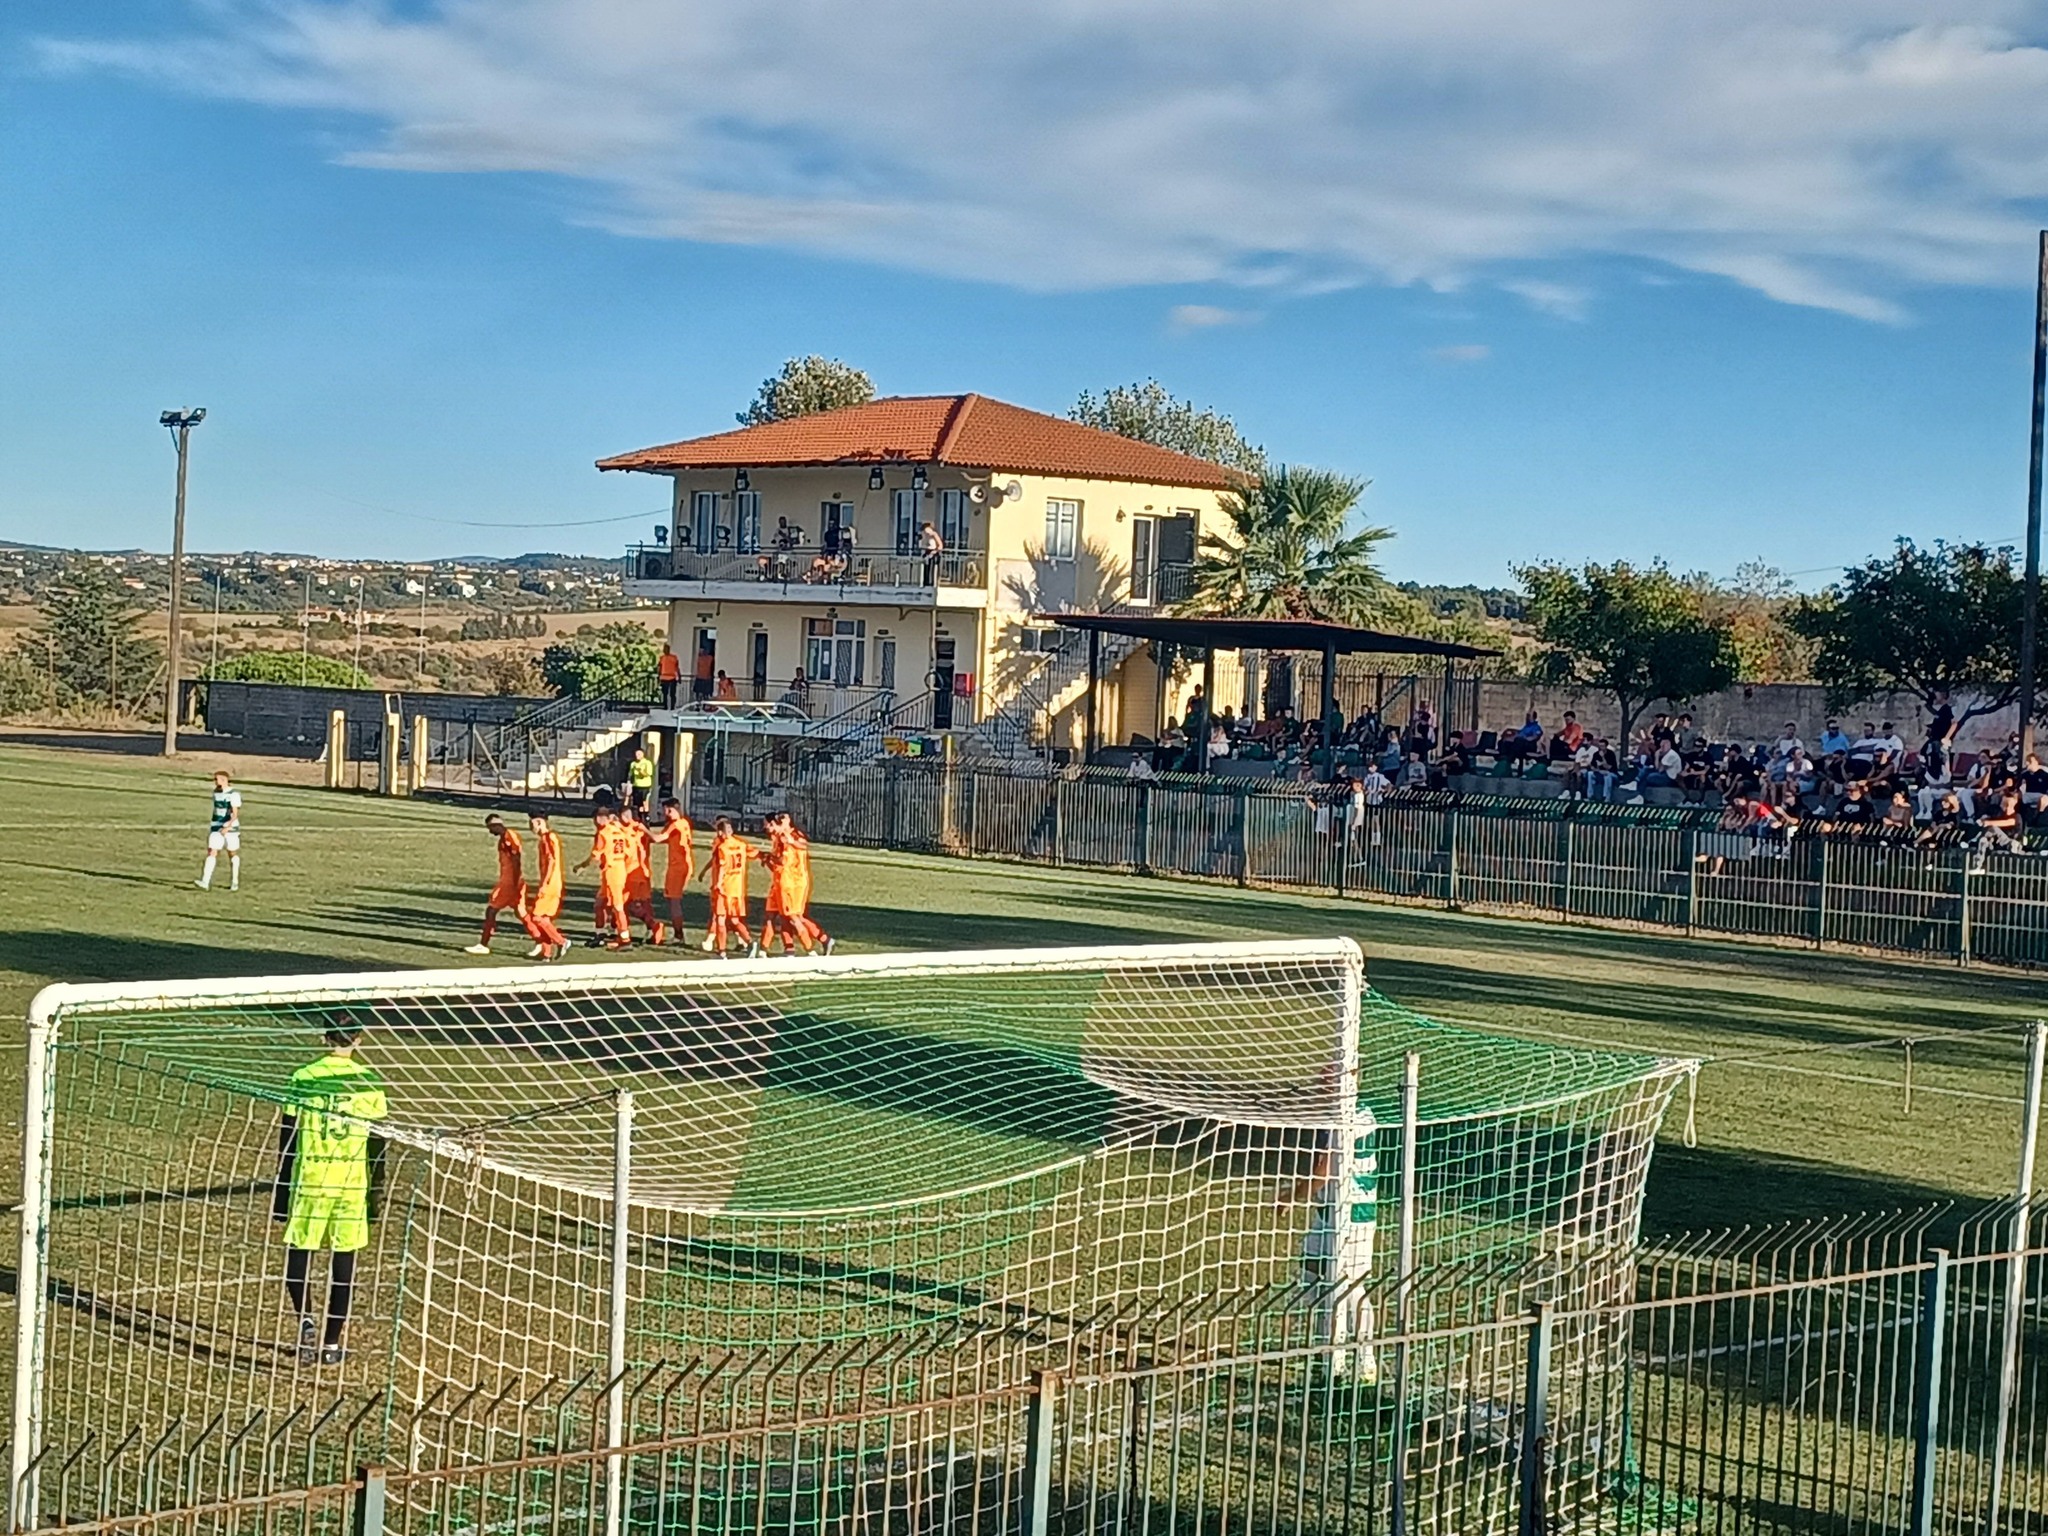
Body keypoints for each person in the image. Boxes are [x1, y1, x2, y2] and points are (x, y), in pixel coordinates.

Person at [273, 1018, 387, 1367]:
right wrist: (375, 1195)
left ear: (324, 1038)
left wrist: (281, 1190)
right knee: (344, 1262)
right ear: (359, 1039)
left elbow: (288, 1139)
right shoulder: (370, 1083)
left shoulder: (303, 1077)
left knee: (300, 1251)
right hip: (350, 1184)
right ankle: (332, 1344)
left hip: (310, 1178)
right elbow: (377, 1147)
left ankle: (305, 1319)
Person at [464, 814, 540, 955]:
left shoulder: (508, 836)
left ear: (495, 825)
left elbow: (516, 858)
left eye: (490, 828)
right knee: (522, 914)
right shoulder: (505, 837)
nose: (489, 831)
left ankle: (483, 944)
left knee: (491, 911)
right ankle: (540, 941)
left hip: (509, 883)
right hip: (513, 881)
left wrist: (515, 882)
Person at [762, 812, 834, 955]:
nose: (766, 828)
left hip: (794, 881)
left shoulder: (791, 836)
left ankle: (816, 945)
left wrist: (772, 856)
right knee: (775, 915)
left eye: (768, 824)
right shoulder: (778, 837)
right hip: (781, 880)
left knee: (794, 917)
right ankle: (782, 949)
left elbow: (801, 847)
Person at [573, 806, 633, 949]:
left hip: (612, 872)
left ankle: (625, 939)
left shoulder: (604, 833)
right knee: (600, 903)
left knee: (617, 906)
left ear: (600, 819)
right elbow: (629, 852)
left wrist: (581, 866)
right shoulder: (619, 830)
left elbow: (595, 856)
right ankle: (600, 934)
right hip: (619, 869)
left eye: (595, 819)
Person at [702, 815, 758, 956]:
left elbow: (722, 867)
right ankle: (750, 941)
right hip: (737, 888)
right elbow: (754, 853)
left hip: (725, 888)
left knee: (721, 919)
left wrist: (718, 884)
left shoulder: (722, 847)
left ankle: (722, 951)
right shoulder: (741, 845)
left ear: (720, 832)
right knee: (734, 919)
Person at [524, 813, 570, 960]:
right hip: (552, 883)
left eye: (532, 824)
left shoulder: (549, 838)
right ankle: (547, 954)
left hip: (551, 884)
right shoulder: (545, 839)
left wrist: (545, 883)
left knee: (536, 917)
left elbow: (551, 861)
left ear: (539, 822)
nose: (531, 827)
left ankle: (562, 941)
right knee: (544, 919)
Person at [651, 797, 695, 944]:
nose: (664, 813)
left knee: (674, 901)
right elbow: (666, 839)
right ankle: (678, 935)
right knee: (672, 900)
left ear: (670, 809)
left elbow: (659, 838)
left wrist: (642, 829)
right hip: (683, 865)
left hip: (678, 867)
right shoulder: (684, 823)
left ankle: (679, 936)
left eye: (665, 810)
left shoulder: (676, 824)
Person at [196, 769, 242, 892]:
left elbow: (235, 813)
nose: (215, 782)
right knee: (212, 852)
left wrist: (228, 826)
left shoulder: (233, 794)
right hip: (216, 827)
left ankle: (235, 881)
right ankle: (205, 881)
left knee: (232, 853)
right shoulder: (216, 793)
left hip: (230, 829)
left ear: (224, 780)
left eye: (217, 779)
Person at [626, 747, 656, 813]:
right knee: (637, 803)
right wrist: (628, 784)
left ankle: (646, 816)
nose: (637, 756)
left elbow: (648, 774)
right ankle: (639, 816)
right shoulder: (633, 764)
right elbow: (630, 774)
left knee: (645, 802)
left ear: (643, 754)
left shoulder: (647, 763)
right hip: (636, 785)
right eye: (636, 754)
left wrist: (640, 770)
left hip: (645, 786)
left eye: (639, 754)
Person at [656, 643, 682, 710]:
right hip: (664, 678)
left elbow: (677, 668)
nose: (665, 650)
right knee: (666, 694)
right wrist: (659, 677)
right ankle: (666, 706)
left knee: (672, 694)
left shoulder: (673, 658)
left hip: (672, 678)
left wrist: (679, 677)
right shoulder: (662, 658)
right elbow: (659, 668)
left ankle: (672, 707)